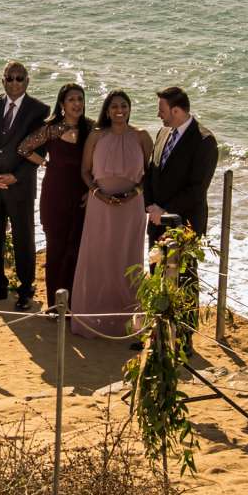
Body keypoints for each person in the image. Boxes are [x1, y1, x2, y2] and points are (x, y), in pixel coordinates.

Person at [70, 90, 152, 340]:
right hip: (100, 205)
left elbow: (150, 174)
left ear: (129, 109)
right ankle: (93, 319)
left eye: (124, 106)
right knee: (98, 259)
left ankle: (127, 322)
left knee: (128, 259)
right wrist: (97, 194)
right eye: (114, 106)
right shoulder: (96, 135)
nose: (120, 110)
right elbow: (85, 171)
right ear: (106, 110)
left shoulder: (141, 136)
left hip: (131, 207)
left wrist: (134, 192)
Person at [0, 60, 49, 309]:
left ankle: (25, 289)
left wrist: (17, 176)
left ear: (27, 81)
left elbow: (41, 150)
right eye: (10, 78)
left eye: (20, 78)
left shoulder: (39, 110)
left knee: (24, 238)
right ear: (2, 81)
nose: (15, 82)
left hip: (20, 186)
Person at [19, 82, 91, 315]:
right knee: (56, 249)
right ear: (62, 104)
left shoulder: (92, 129)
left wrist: (93, 190)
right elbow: (24, 148)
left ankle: (74, 304)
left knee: (76, 250)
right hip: (54, 195)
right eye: (72, 100)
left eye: (80, 99)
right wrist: (45, 162)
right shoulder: (51, 129)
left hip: (81, 197)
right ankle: (54, 306)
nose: (77, 104)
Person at [144, 86, 219, 242]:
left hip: (185, 225)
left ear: (176, 111)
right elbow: (152, 171)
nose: (158, 115)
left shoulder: (204, 141)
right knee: (155, 267)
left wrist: (165, 211)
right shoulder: (163, 132)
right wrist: (150, 206)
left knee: (184, 268)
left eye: (162, 111)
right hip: (156, 223)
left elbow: (197, 189)